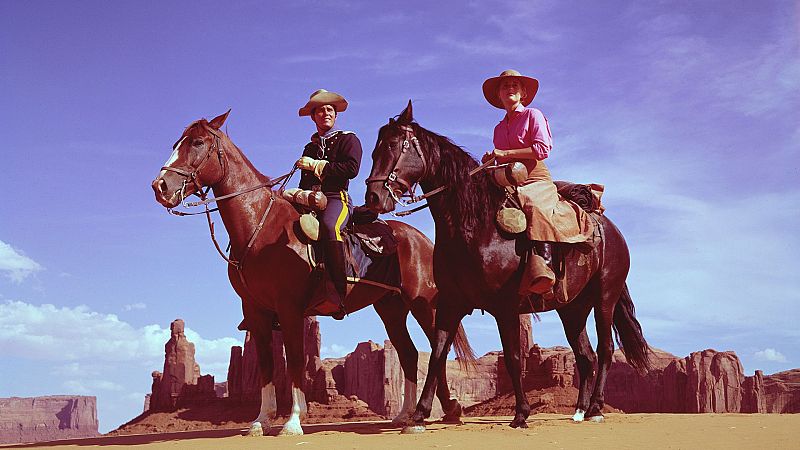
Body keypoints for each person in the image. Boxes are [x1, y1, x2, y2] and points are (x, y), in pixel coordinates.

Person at [481, 70, 593, 298]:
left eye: (515, 85)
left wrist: (506, 153)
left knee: (533, 205)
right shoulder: (498, 128)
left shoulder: (533, 115)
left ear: (523, 93)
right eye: (504, 86)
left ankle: (545, 267)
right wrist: (491, 160)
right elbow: (502, 159)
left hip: (534, 178)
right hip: (507, 178)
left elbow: (542, 150)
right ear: (499, 95)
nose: (510, 88)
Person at [295, 89, 362, 319]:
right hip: (311, 199)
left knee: (330, 226)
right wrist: (298, 195)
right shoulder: (310, 147)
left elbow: (352, 169)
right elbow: (304, 181)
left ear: (335, 114)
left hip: (336, 198)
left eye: (330, 110)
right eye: (321, 111)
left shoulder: (348, 139)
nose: (326, 113)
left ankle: (337, 294)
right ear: (313, 117)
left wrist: (317, 165)